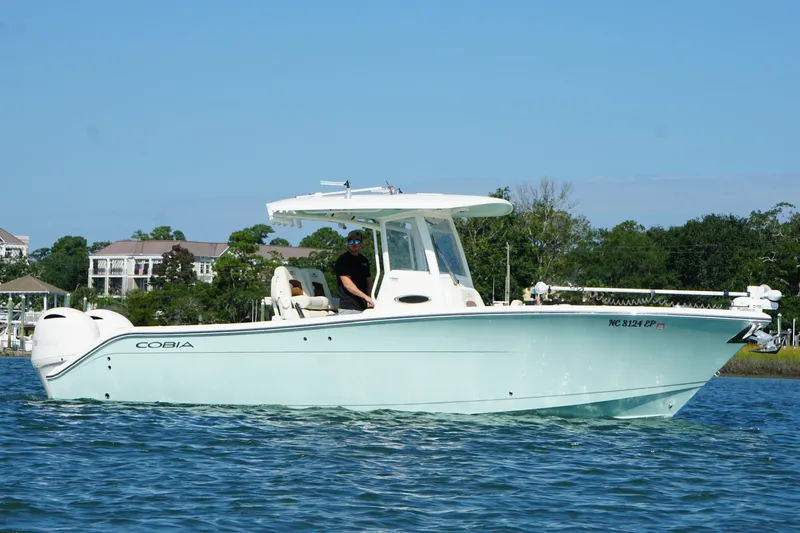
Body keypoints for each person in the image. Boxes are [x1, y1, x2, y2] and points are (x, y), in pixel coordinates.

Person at [334, 230, 374, 314]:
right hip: (349, 307)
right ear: (347, 243)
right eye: (351, 241)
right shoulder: (343, 260)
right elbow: (347, 283)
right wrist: (365, 297)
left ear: (361, 244)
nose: (354, 244)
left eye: (357, 241)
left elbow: (368, 280)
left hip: (364, 307)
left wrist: (370, 297)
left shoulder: (364, 260)